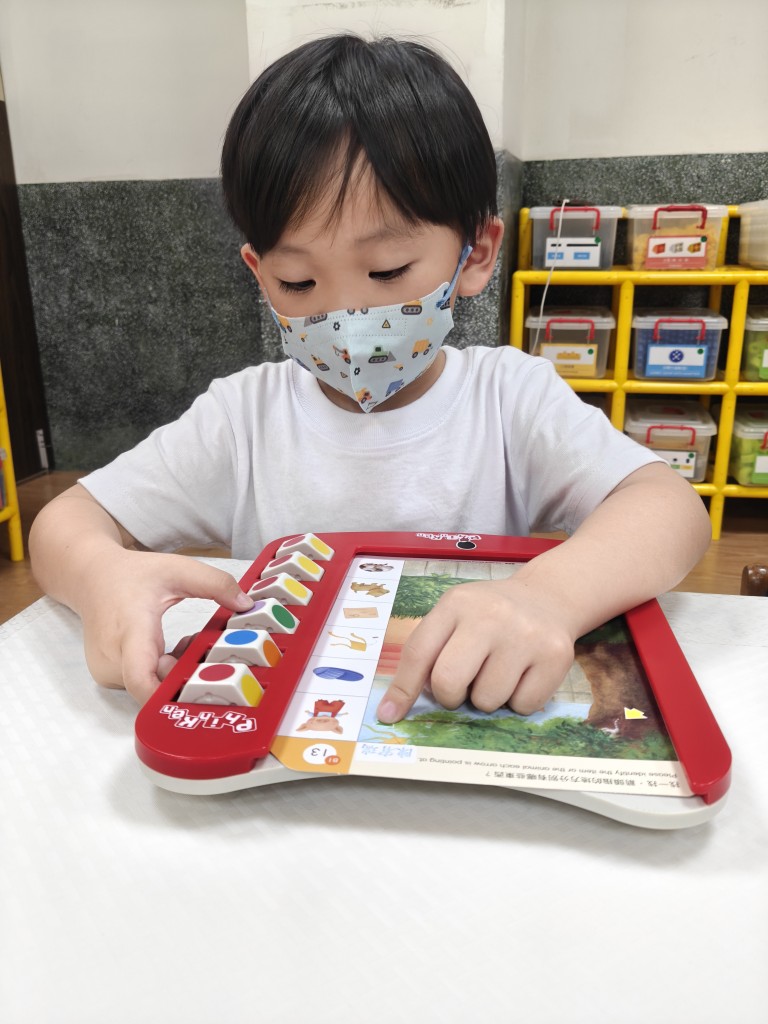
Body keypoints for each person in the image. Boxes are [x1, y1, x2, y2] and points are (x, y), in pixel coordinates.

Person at [29, 33, 711, 723]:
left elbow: (670, 509)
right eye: (298, 281)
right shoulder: (242, 418)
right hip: (281, 752)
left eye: (388, 271)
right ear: (259, 274)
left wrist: (550, 595)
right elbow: (64, 523)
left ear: (476, 253)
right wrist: (103, 576)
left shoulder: (509, 398)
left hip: (456, 723)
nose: (347, 316)